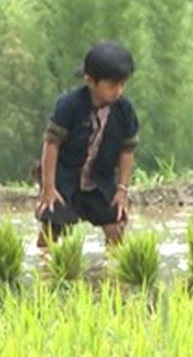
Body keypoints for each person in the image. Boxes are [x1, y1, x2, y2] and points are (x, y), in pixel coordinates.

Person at [35, 41, 140, 248]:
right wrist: (48, 187)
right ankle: (45, 272)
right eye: (111, 85)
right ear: (91, 81)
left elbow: (127, 151)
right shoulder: (70, 104)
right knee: (51, 231)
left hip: (100, 181)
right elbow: (51, 144)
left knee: (115, 226)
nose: (118, 91)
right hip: (65, 179)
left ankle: (112, 273)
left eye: (122, 84)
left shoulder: (124, 110)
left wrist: (122, 189)